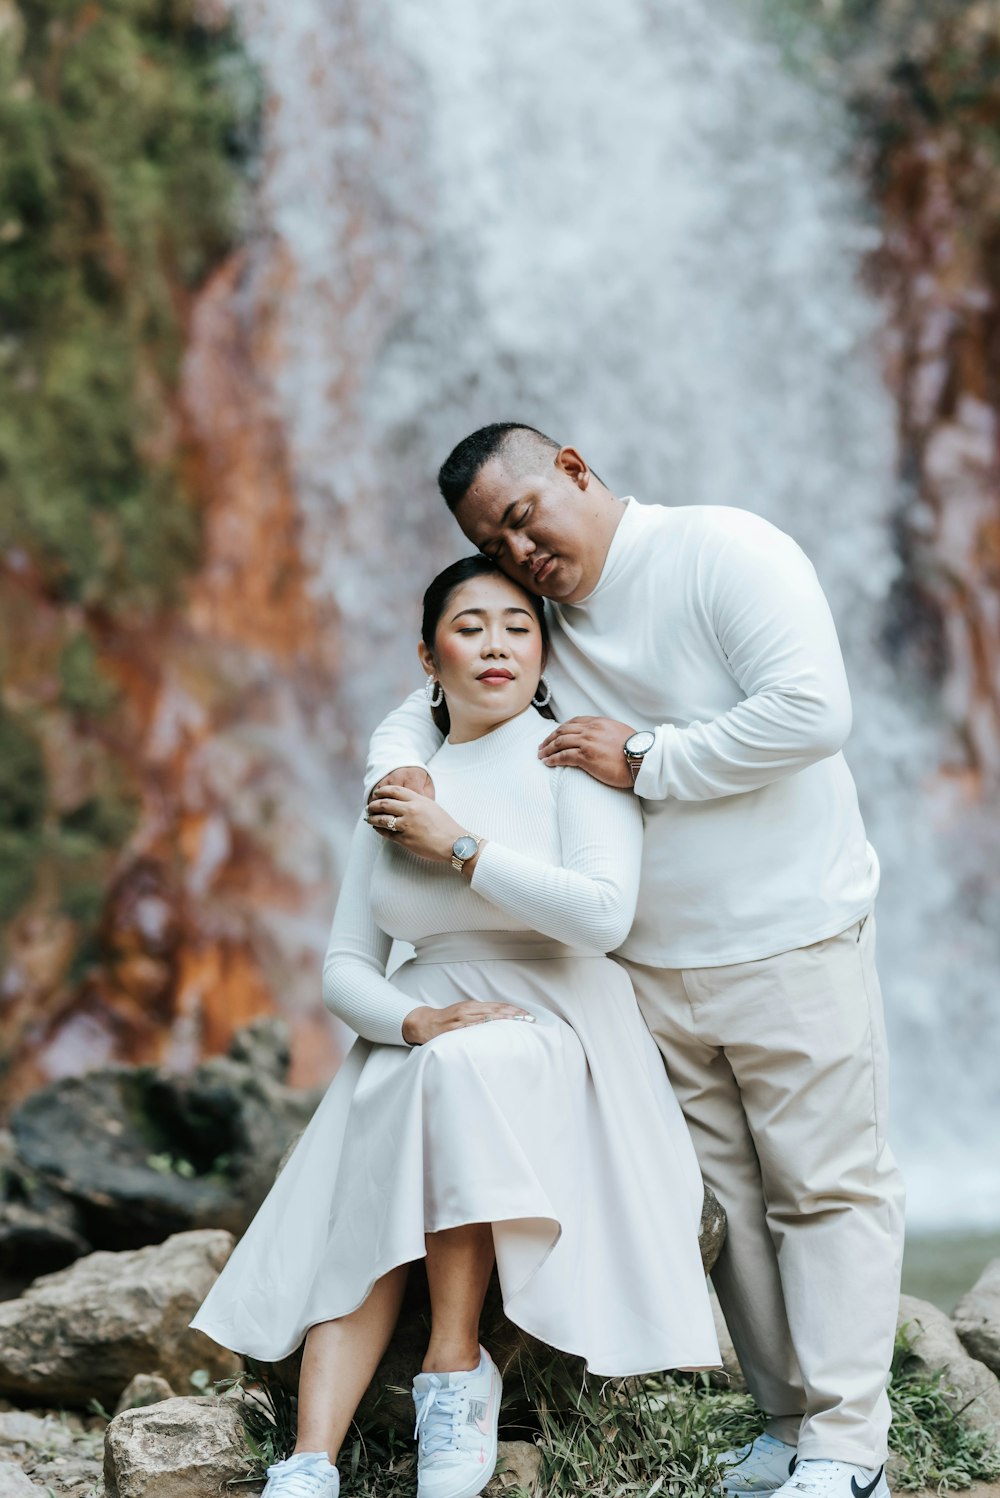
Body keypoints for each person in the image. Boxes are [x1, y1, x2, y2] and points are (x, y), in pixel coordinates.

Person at [365, 423, 906, 1498]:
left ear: (573, 468)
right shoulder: (548, 625)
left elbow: (813, 711)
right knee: (730, 1204)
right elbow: (437, 691)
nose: (521, 552)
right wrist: (399, 775)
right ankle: (790, 1426)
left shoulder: (721, 552)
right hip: (649, 964)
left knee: (825, 1187)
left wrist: (652, 756)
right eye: (494, 542)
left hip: (789, 932)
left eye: (523, 517)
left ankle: (850, 1450)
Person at [191, 554, 720, 1498]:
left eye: (518, 626)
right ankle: (309, 1460)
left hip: (559, 1023)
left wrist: (461, 847)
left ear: (545, 652)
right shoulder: (400, 784)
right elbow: (346, 968)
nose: (496, 645)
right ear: (427, 657)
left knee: (447, 1082)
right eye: (470, 626)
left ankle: (452, 1364)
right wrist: (418, 1017)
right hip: (429, 1031)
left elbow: (603, 917)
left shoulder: (572, 761)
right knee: (381, 1143)